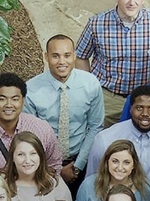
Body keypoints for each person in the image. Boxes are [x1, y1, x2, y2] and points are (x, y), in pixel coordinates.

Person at [25, 34, 106, 186]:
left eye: (67, 55)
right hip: (43, 165)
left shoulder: (90, 84)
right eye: (55, 56)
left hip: (81, 161)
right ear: (46, 56)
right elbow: (30, 136)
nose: (62, 62)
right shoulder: (31, 90)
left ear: (74, 56)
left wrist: (77, 167)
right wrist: (54, 169)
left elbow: (95, 126)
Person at [0, 73, 64, 174]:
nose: (9, 105)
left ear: (23, 101)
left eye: (15, 99)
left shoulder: (41, 129)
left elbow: (54, 164)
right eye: (2, 99)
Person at [86, 85, 150, 183]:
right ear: (130, 109)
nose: (145, 114)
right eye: (139, 108)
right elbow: (92, 181)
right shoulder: (106, 139)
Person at [77, 140, 150, 201]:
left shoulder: (145, 188)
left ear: (134, 165)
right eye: (115, 161)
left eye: (126, 162)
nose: (120, 168)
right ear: (107, 162)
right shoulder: (89, 185)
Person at [5, 132, 73, 201]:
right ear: (12, 157)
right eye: (21, 154)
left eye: (33, 153)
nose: (27, 160)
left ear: (40, 156)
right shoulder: (3, 186)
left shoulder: (55, 183)